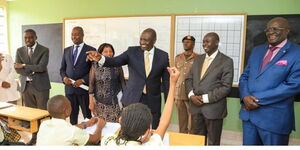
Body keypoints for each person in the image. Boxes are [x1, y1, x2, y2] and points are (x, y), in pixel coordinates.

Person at [86, 28, 170, 129]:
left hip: (153, 99)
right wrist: (101, 58)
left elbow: (166, 81)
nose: (142, 42)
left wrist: (167, 102)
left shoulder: (163, 56)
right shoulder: (132, 51)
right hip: (133, 97)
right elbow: (116, 61)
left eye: (146, 40)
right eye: (141, 39)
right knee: (131, 127)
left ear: (154, 40)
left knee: (154, 128)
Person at [239, 17, 300, 145]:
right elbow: (245, 76)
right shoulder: (257, 50)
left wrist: (255, 99)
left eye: (275, 29)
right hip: (249, 116)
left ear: (287, 31)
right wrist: (245, 96)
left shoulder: (296, 52)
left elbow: (293, 85)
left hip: (274, 121)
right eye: (268, 29)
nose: (270, 32)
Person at [101, 67, 179, 146]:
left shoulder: (107, 140)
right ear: (146, 132)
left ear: (120, 120)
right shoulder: (152, 145)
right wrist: (173, 83)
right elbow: (164, 123)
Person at [185, 32, 234, 145]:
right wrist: (191, 95)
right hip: (195, 108)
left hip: (213, 109)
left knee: (213, 142)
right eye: (203, 41)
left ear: (217, 43)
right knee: (197, 141)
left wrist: (204, 98)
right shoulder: (198, 59)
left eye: (208, 41)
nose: (204, 44)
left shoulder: (226, 61)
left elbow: (226, 87)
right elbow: (188, 79)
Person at [14, 29, 51, 145]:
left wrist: (24, 65)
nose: (27, 40)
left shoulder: (44, 50)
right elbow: (16, 68)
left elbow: (41, 67)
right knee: (31, 114)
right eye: (25, 38)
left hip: (41, 86)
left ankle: (46, 137)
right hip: (26, 86)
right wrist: (32, 70)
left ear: (36, 37)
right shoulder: (19, 51)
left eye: (30, 37)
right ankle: (34, 136)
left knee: (42, 113)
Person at [60, 26, 95, 125]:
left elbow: (94, 71)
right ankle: (74, 136)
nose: (74, 37)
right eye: (72, 34)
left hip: (84, 90)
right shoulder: (66, 50)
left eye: (77, 34)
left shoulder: (91, 50)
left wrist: (83, 80)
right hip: (70, 90)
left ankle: (89, 138)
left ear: (83, 35)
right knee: (72, 115)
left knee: (87, 116)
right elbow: (62, 69)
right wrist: (64, 78)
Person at [36, 95, 105, 145]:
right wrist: (100, 126)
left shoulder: (44, 124)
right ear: (66, 111)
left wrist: (86, 124)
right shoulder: (72, 132)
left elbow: (65, 130)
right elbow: (95, 140)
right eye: (70, 105)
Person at [89, 43, 125, 122]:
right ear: (100, 53)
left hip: (114, 103)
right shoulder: (95, 65)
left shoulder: (117, 65)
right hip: (99, 103)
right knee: (101, 126)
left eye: (110, 51)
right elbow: (91, 84)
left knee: (115, 127)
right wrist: (91, 101)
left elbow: (122, 82)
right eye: (105, 51)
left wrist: (125, 100)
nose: (109, 54)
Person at [174, 35, 198, 134]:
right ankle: (182, 136)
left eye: (188, 42)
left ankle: (191, 138)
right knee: (181, 118)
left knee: (192, 119)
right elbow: (175, 75)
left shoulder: (198, 58)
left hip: (191, 92)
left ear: (193, 44)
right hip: (179, 92)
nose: (186, 43)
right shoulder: (178, 57)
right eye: (184, 42)